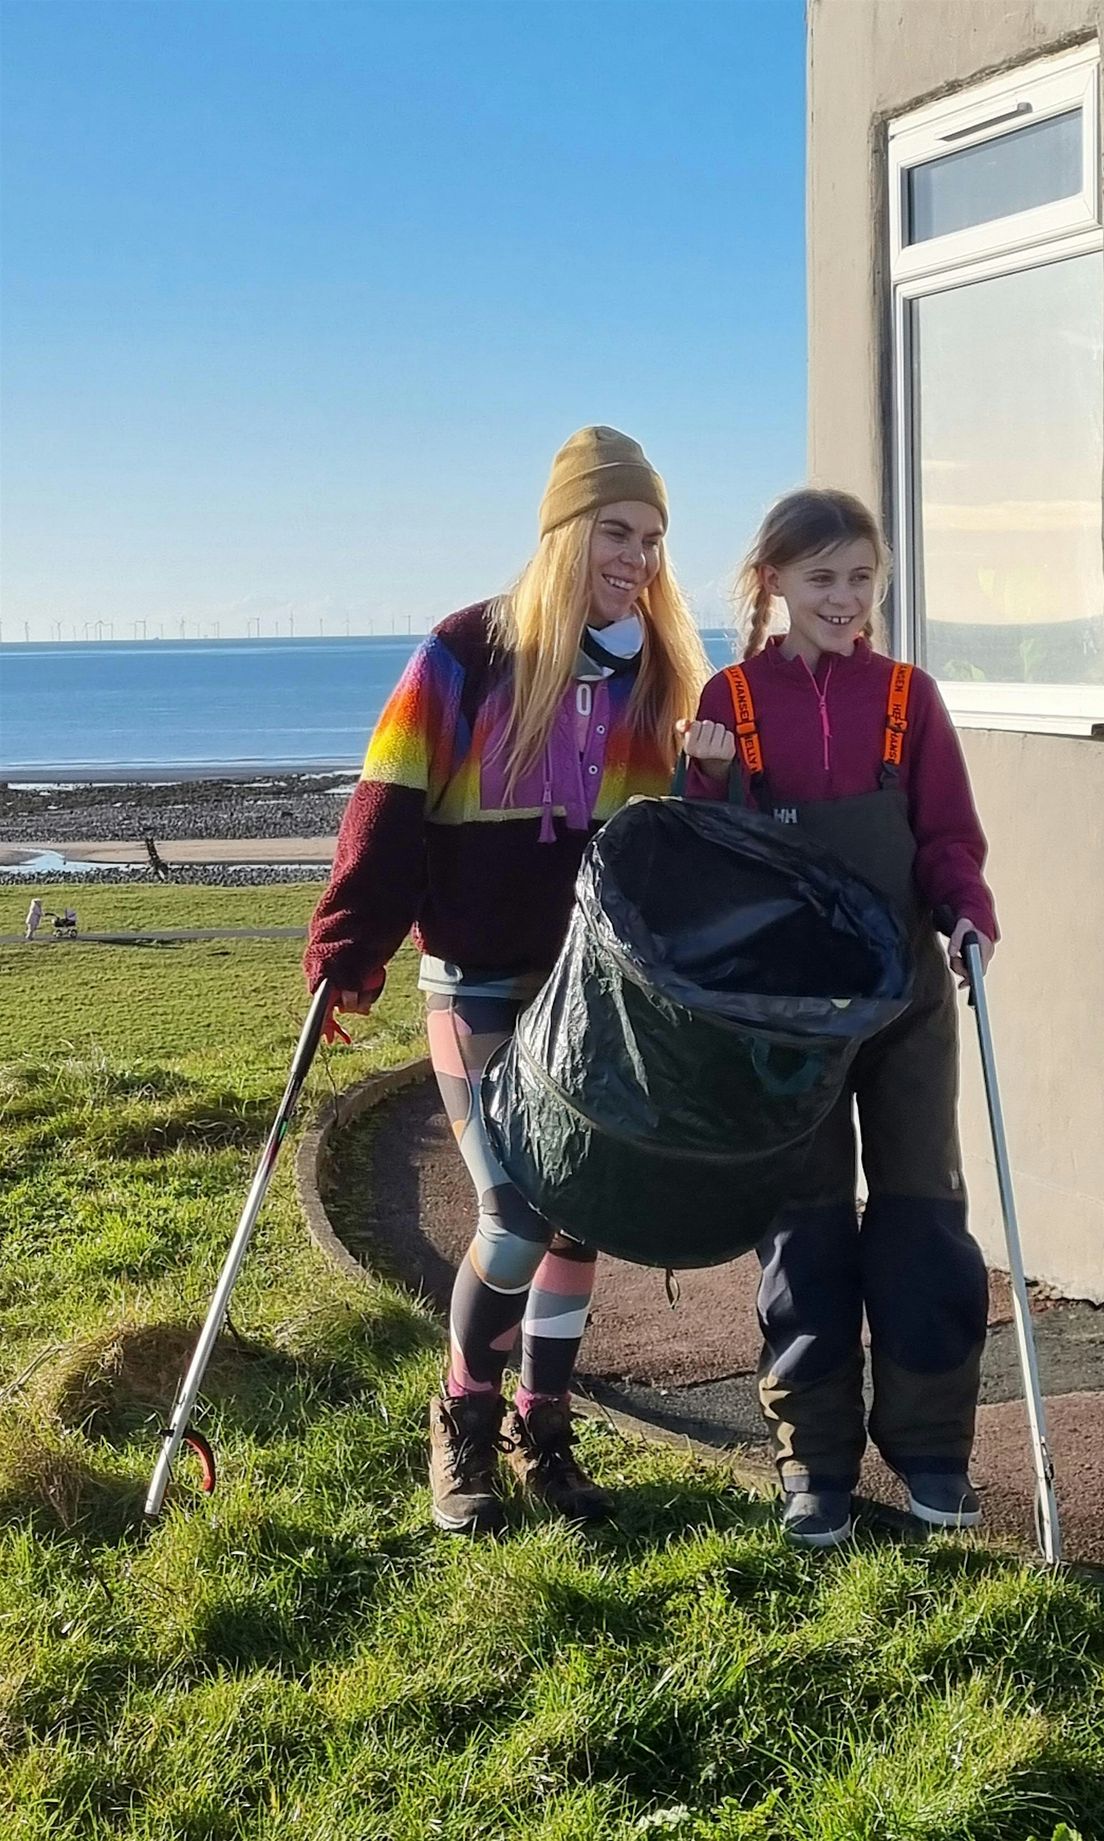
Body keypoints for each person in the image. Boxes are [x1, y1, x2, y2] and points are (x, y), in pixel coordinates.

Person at [305, 426, 709, 1535]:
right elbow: (387, 804)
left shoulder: (661, 673)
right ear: (566, 529)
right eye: (618, 531)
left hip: (598, 994)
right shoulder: (465, 652)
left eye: (654, 539)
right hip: (477, 983)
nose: (637, 558)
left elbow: (680, 838)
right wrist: (348, 947)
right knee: (521, 1207)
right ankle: (465, 1421)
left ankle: (546, 1430)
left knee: (582, 1218)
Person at [680, 487, 998, 1549]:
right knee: (805, 1231)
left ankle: (935, 1453)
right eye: (821, 577)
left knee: (921, 1217)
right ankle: (814, 1461)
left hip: (907, 994)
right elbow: (709, 856)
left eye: (863, 577)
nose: (845, 597)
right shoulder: (731, 697)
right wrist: (710, 775)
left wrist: (968, 914)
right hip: (788, 1015)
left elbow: (948, 835)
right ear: (772, 582)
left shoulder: (911, 696)